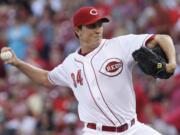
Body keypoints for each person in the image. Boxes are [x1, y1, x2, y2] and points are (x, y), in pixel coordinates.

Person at [1, 6, 176, 135]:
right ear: (78, 31)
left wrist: (172, 63)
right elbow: (46, 79)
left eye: (100, 24)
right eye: (92, 26)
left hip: (133, 128)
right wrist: (17, 63)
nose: (98, 29)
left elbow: (162, 38)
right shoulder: (70, 63)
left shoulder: (120, 44)